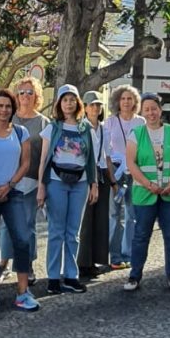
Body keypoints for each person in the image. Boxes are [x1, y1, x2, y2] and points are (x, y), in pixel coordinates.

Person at [0, 89, 38, 311]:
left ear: (13, 109)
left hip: (13, 191)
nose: (4, 110)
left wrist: (9, 185)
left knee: (22, 238)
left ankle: (22, 292)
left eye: (8, 106)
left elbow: (25, 163)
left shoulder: (21, 132)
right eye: (0, 106)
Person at [37, 85, 98, 294]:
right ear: (59, 103)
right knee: (56, 231)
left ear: (78, 103)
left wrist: (94, 184)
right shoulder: (52, 128)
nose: (69, 103)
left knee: (73, 232)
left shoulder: (86, 128)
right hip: (56, 181)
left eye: (72, 99)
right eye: (65, 100)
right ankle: (53, 277)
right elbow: (43, 160)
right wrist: (41, 186)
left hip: (80, 183)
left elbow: (91, 159)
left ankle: (71, 275)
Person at [123, 93, 170, 293]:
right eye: (147, 109)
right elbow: (131, 162)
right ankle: (135, 275)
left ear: (160, 110)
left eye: (154, 108)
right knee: (141, 235)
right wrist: (148, 184)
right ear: (142, 112)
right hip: (144, 193)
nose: (151, 113)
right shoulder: (136, 133)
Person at [0, 77, 49, 285]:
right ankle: (4, 263)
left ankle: (27, 265)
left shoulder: (43, 122)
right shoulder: (9, 118)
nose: (25, 96)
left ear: (36, 96)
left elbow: (46, 155)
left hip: (32, 180)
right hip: (8, 179)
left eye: (30, 92)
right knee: (6, 224)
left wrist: (43, 184)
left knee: (28, 225)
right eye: (21, 92)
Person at [104, 85, 145, 268]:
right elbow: (105, 149)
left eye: (130, 98)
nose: (126, 102)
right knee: (114, 214)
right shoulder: (110, 122)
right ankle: (114, 256)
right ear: (117, 101)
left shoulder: (141, 122)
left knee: (132, 215)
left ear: (135, 101)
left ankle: (128, 253)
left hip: (135, 172)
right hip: (116, 172)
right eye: (123, 98)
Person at [78, 90, 116, 277]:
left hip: (102, 175)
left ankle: (94, 260)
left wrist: (113, 180)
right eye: (92, 105)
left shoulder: (104, 130)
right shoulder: (80, 127)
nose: (95, 108)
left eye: (98, 105)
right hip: (85, 175)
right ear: (85, 108)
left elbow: (107, 157)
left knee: (100, 220)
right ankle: (82, 262)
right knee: (85, 220)